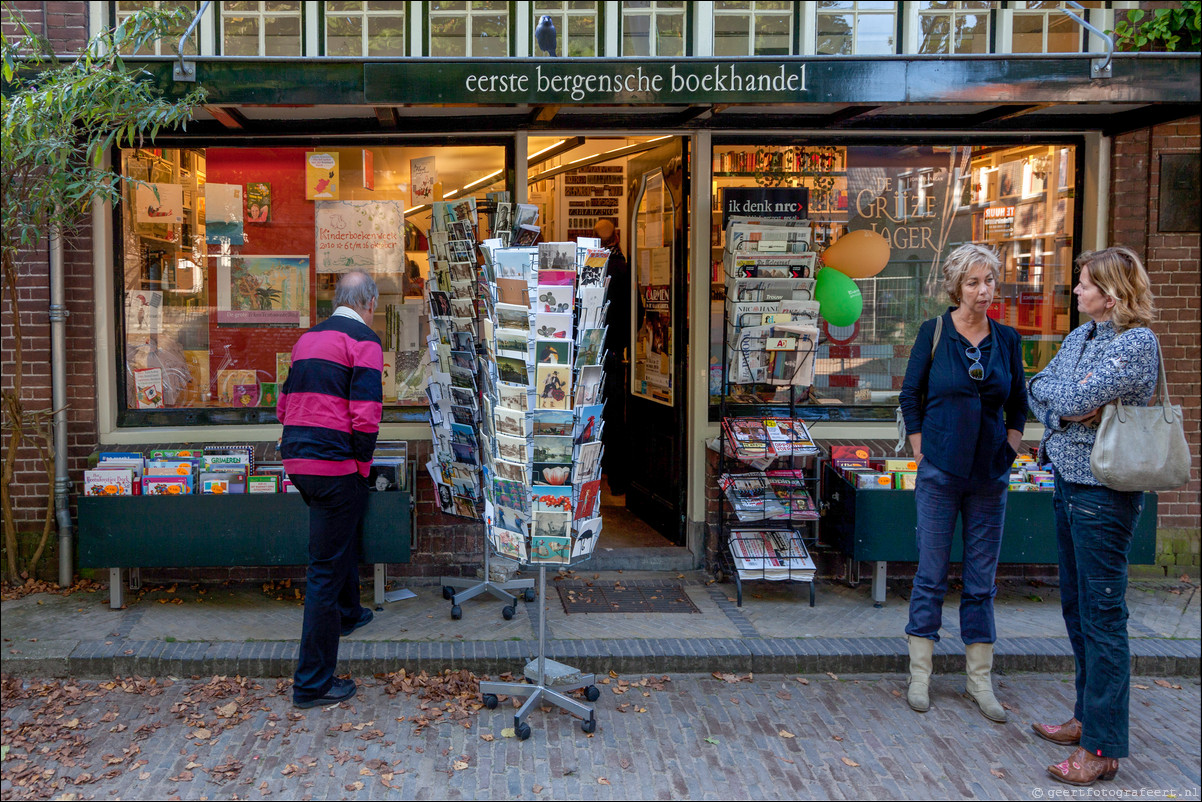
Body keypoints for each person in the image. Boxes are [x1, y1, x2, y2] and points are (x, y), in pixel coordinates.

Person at [1026, 247, 1159, 787]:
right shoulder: (1082, 339)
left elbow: (1080, 397)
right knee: (1078, 608)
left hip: (1105, 491)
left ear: (1112, 292)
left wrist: (1072, 402)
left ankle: (1102, 748)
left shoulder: (1136, 344)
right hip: (1065, 480)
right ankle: (1086, 718)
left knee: (1104, 618)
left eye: (1083, 284)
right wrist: (1071, 406)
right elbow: (1040, 389)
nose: (1075, 292)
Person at [897, 243, 1027, 722]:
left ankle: (979, 681)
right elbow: (911, 395)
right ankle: (920, 676)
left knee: (981, 581)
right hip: (940, 472)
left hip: (989, 475)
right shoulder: (933, 333)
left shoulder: (1008, 340)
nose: (982, 290)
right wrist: (919, 448)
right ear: (956, 287)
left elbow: (1019, 402)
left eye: (989, 281)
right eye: (972, 282)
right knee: (930, 575)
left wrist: (1010, 446)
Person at [277, 270, 384, 709]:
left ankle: (349, 613)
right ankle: (313, 683)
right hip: (334, 465)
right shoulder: (365, 342)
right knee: (323, 567)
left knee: (337, 537)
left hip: (299, 460)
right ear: (369, 303)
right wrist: (360, 467)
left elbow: (283, 404)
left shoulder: (307, 340)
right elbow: (366, 414)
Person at [594, 218, 630, 495]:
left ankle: (597, 472)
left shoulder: (593, 267)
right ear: (616, 237)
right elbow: (635, 309)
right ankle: (617, 480)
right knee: (616, 417)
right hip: (616, 352)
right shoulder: (623, 266)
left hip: (595, 351)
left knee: (595, 414)